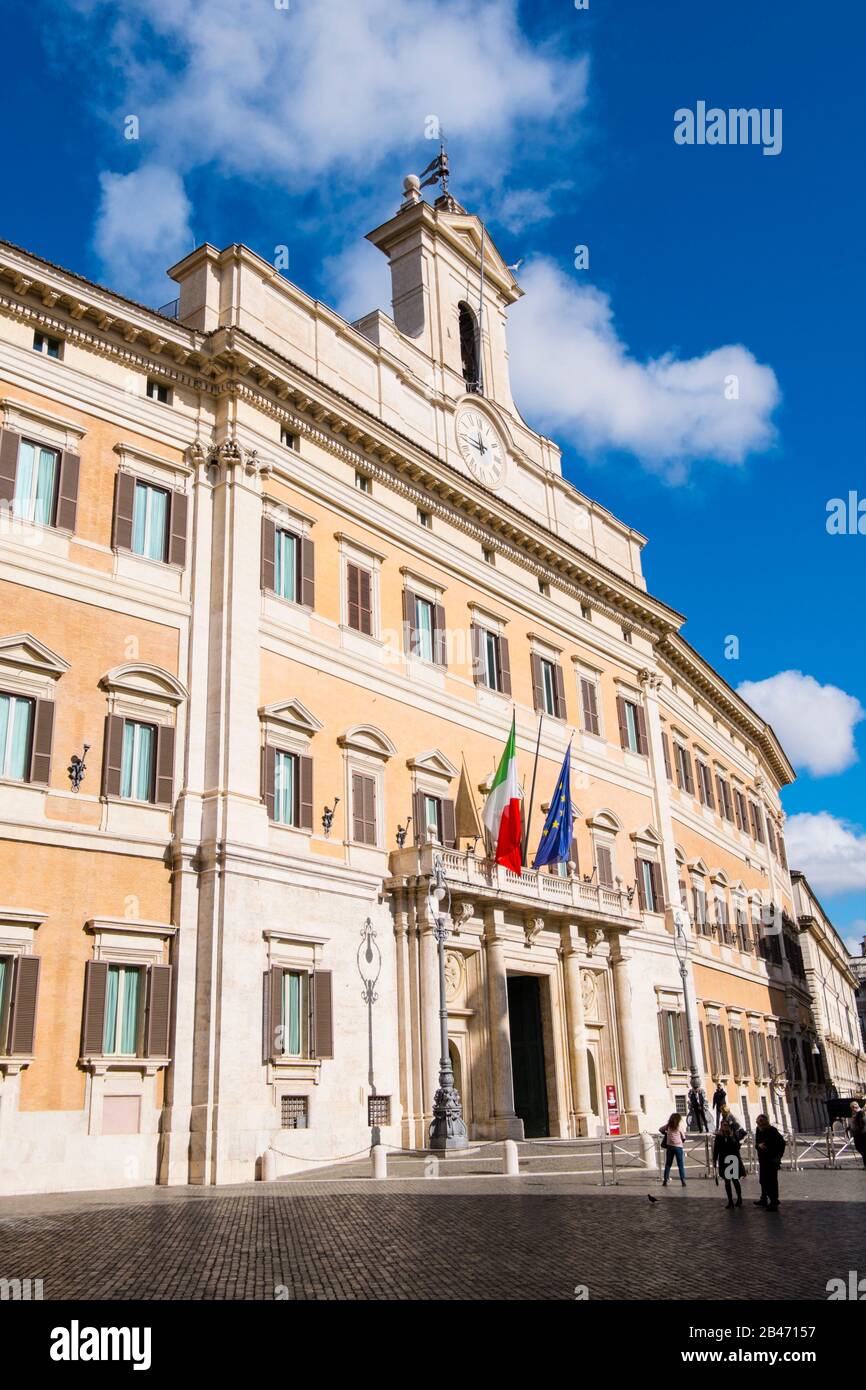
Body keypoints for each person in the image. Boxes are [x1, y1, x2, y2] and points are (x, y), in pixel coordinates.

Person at [754, 1113, 785, 1211]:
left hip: (771, 1159)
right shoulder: (758, 1130)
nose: (758, 1124)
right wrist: (759, 1146)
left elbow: (782, 1143)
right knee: (763, 1180)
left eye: (760, 1122)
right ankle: (764, 1199)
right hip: (763, 1159)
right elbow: (756, 1143)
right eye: (757, 1122)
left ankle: (774, 1201)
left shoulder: (772, 1130)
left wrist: (779, 1156)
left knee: (771, 1181)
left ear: (764, 1122)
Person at [713, 1119, 745, 1207]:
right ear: (721, 1126)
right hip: (724, 1160)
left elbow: (737, 1146)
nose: (725, 1126)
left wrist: (731, 1137)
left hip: (732, 1158)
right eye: (723, 1125)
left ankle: (739, 1198)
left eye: (726, 1125)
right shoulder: (719, 1136)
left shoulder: (733, 1134)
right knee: (727, 1181)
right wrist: (714, 1160)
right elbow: (716, 1149)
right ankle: (730, 1201)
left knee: (735, 1180)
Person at [660, 1111, 687, 1186]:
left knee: (668, 1164)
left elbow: (660, 1129)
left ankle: (665, 1180)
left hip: (670, 1147)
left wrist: (666, 1133)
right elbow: (684, 1138)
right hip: (678, 1147)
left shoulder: (668, 1126)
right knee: (680, 1164)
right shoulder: (679, 1127)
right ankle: (683, 1180)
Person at [850, 1102, 866, 1169]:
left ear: (858, 1105)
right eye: (853, 1107)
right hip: (857, 1134)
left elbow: (863, 1122)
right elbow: (854, 1123)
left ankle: (865, 1165)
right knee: (859, 1148)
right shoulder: (855, 1114)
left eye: (855, 1106)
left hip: (862, 1134)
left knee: (863, 1149)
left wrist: (860, 1129)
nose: (854, 1108)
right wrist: (849, 1128)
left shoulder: (861, 1113)